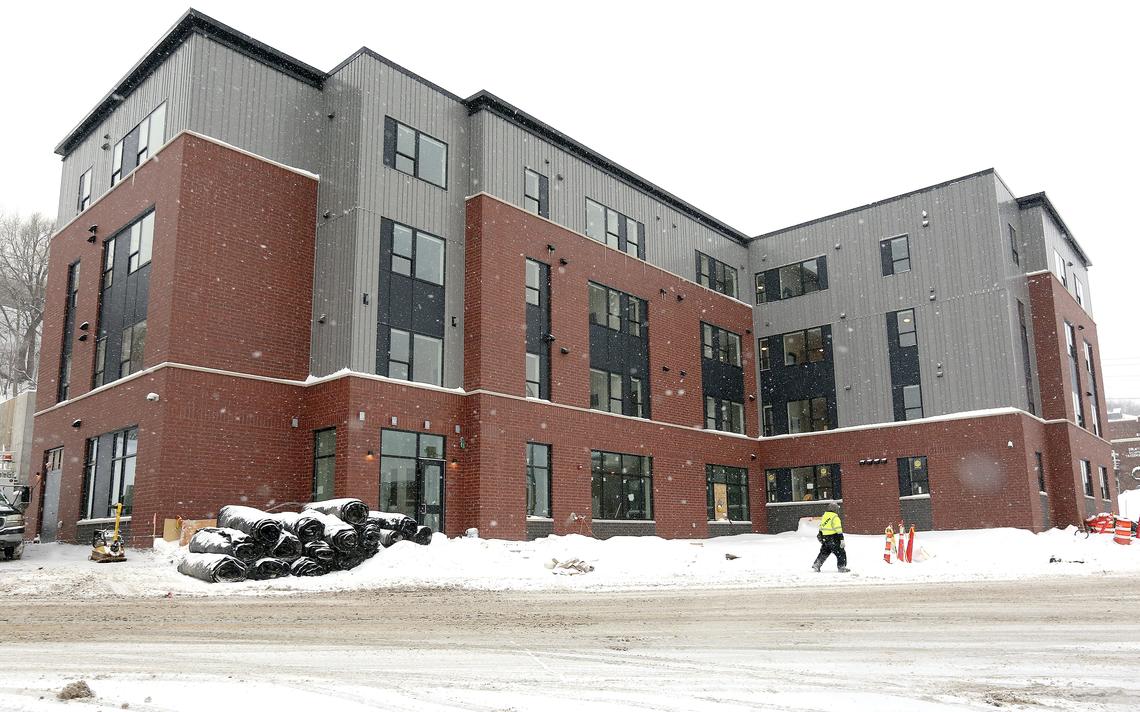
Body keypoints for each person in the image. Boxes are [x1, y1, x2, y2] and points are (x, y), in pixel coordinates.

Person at [812, 503, 849, 573]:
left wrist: (821, 536)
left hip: (825, 538)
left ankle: (817, 564)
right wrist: (841, 539)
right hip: (834, 537)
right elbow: (838, 530)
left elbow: (821, 527)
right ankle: (841, 567)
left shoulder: (825, 516)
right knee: (841, 552)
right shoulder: (835, 517)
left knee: (824, 552)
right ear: (835, 510)